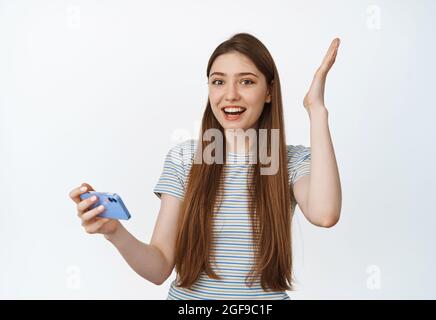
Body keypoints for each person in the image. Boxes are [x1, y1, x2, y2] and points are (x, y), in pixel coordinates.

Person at [69, 33, 342, 299]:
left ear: (269, 91)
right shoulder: (185, 158)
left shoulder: (291, 161)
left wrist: (316, 109)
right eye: (218, 82)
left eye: (246, 82)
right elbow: (159, 267)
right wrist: (114, 231)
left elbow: (325, 214)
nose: (230, 95)